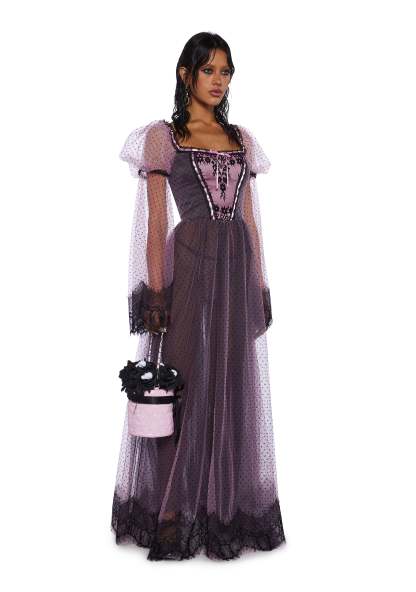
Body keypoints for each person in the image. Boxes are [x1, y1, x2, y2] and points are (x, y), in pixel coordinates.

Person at [111, 31, 286, 561]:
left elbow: (250, 218)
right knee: (181, 376)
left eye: (225, 71)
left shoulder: (241, 139)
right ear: (185, 74)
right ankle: (171, 507)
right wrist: (155, 291)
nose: (218, 80)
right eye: (208, 70)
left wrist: (260, 282)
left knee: (233, 378)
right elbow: (155, 221)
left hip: (235, 265)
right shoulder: (164, 137)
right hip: (188, 261)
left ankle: (222, 504)